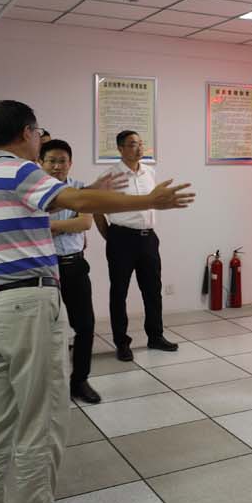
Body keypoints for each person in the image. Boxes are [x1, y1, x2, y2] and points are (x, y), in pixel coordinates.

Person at [0, 101, 194, 503]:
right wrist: (149, 200)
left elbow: (72, 200)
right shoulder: (20, 171)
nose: (41, 141)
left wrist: (91, 191)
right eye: (39, 134)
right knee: (40, 419)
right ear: (26, 132)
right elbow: (80, 204)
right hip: (28, 305)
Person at [94, 130, 178, 361]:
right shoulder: (109, 176)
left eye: (141, 143)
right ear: (120, 148)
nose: (139, 148)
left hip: (148, 238)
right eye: (132, 144)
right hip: (121, 238)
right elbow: (97, 209)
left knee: (153, 290)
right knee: (119, 292)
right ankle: (122, 343)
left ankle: (156, 336)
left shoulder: (149, 172)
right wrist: (111, 237)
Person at [39, 139, 99, 403]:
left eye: (62, 161)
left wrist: (51, 226)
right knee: (45, 331)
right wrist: (67, 223)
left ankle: (80, 381)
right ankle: (45, 385)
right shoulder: (34, 193)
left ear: (70, 163)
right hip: (44, 269)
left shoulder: (79, 189)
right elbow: (33, 228)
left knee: (85, 326)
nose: (57, 166)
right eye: (51, 161)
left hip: (74, 265)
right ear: (40, 163)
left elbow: (85, 223)